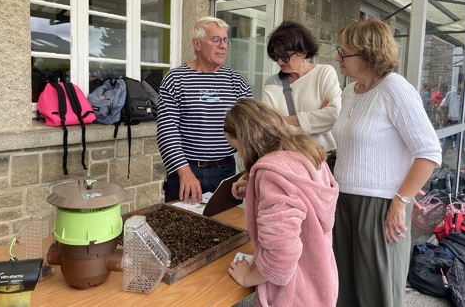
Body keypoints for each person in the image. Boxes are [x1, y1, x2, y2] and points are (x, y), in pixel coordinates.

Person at [331, 19, 442, 307]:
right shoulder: (349, 92)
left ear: (368, 54)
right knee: (343, 285)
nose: (337, 58)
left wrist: (400, 200)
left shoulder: (395, 89)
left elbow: (429, 152)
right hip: (343, 201)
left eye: (344, 52)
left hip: (379, 205)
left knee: (376, 291)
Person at [224, 98, 339, 307]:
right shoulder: (306, 152)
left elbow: (281, 256)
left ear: (247, 139)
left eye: (238, 146)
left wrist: (247, 277)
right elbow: (300, 192)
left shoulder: (272, 175)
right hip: (318, 276)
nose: (240, 154)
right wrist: (252, 184)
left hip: (293, 294)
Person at [157, 16, 252, 204]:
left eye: (225, 40)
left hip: (225, 171)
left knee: (226, 227)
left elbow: (251, 130)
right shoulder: (175, 79)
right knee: (182, 227)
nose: (223, 45)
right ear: (197, 44)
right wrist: (184, 172)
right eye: (216, 40)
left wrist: (251, 171)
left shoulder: (237, 82)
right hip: (185, 170)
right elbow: (167, 131)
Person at [261, 20, 342, 169]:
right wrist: (316, 117)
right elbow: (269, 130)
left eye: (285, 56)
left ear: (303, 51)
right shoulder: (272, 83)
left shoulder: (324, 73)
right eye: (275, 56)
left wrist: (285, 120)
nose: (279, 62)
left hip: (323, 160)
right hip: (289, 162)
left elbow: (333, 116)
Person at [438, 73, 465, 170]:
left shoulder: (464, 94)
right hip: (452, 122)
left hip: (459, 121)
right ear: (460, 83)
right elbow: (442, 107)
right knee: (458, 144)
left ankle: (437, 160)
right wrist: (444, 119)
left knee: (447, 143)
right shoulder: (452, 93)